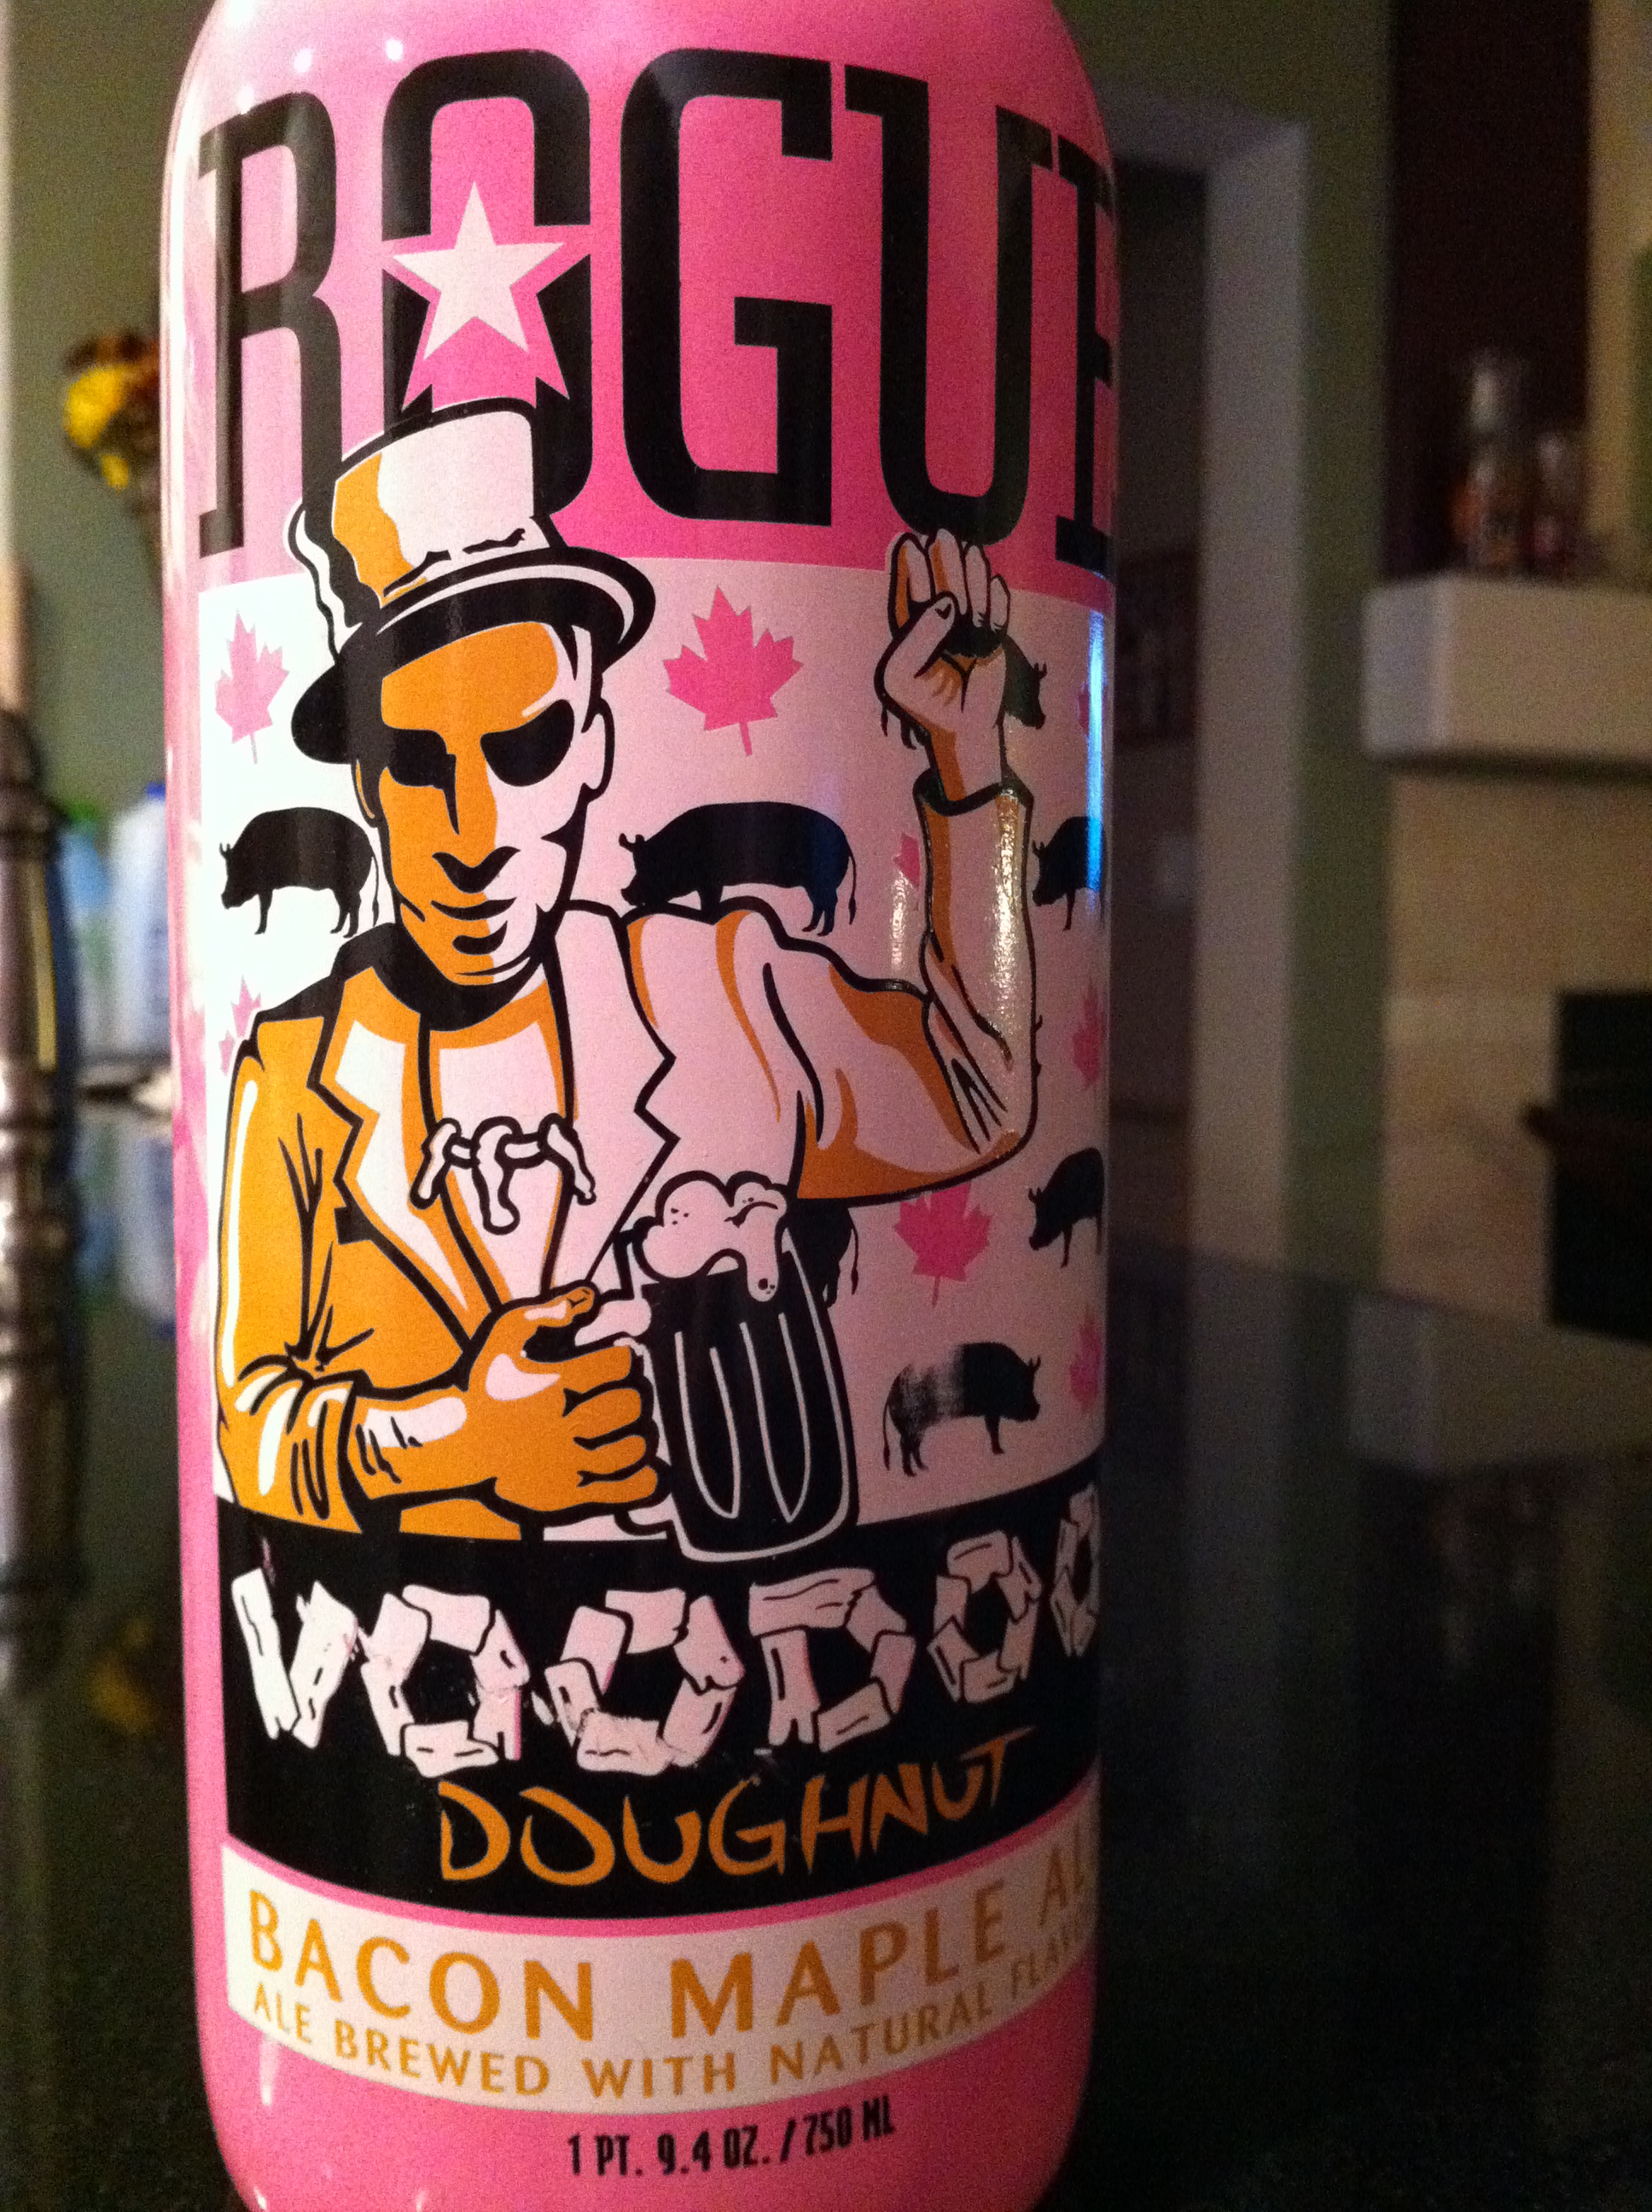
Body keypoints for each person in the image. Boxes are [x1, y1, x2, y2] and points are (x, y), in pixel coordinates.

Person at [216, 401, 1037, 1540]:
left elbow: (979, 1100)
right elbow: (246, 1423)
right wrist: (453, 1441)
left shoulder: (716, 993)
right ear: (366, 786)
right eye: (417, 760)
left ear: (594, 745)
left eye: (528, 746)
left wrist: (964, 756)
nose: (475, 831)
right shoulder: (296, 1073)